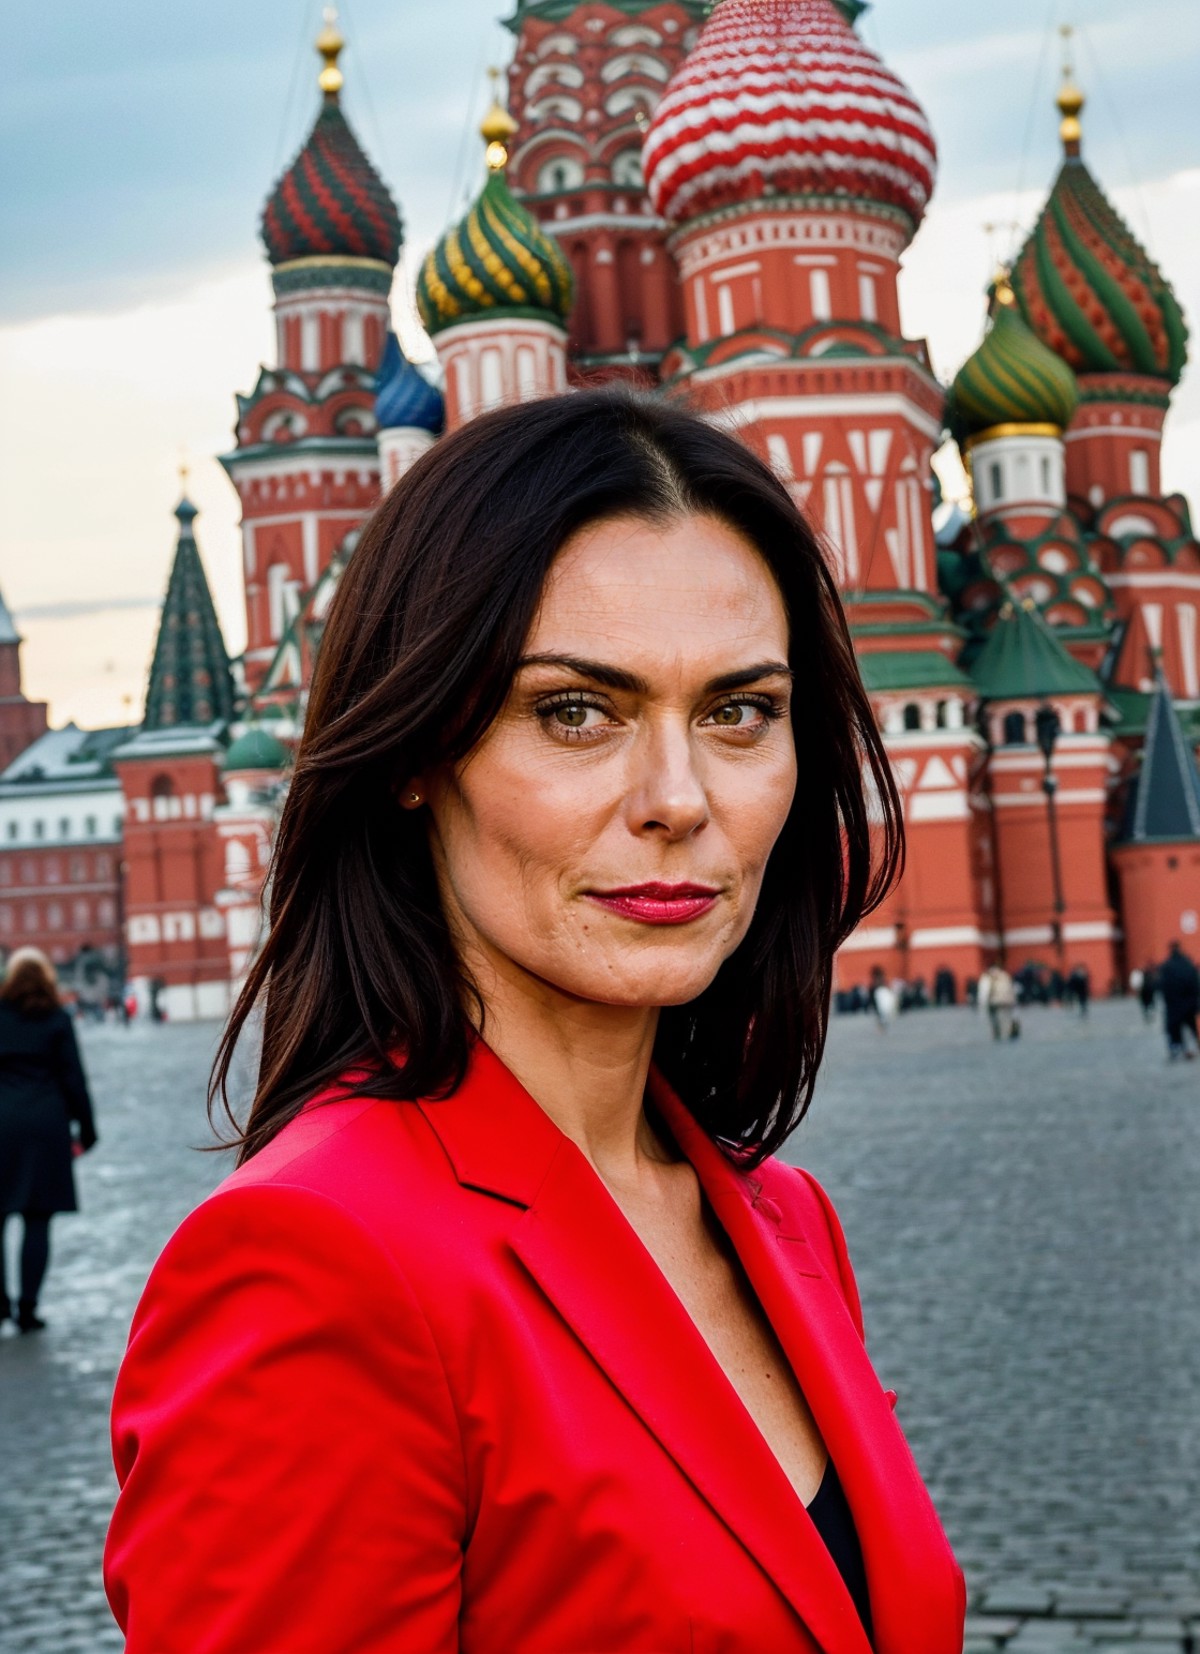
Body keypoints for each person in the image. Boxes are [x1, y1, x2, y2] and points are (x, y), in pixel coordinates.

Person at [104, 392, 965, 1653]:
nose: (679, 799)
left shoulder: (783, 1218)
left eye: (739, 711)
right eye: (576, 710)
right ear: (412, 750)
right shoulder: (316, 1265)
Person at [0, 947, 97, 1332]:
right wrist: (86, 1133)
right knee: (37, 1220)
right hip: (45, 1126)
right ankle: (27, 1307)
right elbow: (74, 1079)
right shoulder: (56, 1019)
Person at [1158, 941, 1200, 1061]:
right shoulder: (1188, 963)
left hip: (1174, 1005)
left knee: (1174, 1028)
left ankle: (1176, 1048)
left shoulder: (1167, 966)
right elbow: (1195, 984)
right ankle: (1190, 1048)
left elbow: (1163, 986)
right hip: (1189, 1003)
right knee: (1191, 1027)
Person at [979, 961, 1018, 1041]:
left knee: (995, 1019)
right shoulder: (1005, 975)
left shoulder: (988, 976)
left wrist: (982, 1002)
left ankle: (998, 1033)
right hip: (1008, 1001)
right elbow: (1011, 988)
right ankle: (1008, 1032)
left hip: (995, 1001)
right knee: (1006, 1018)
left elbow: (985, 991)